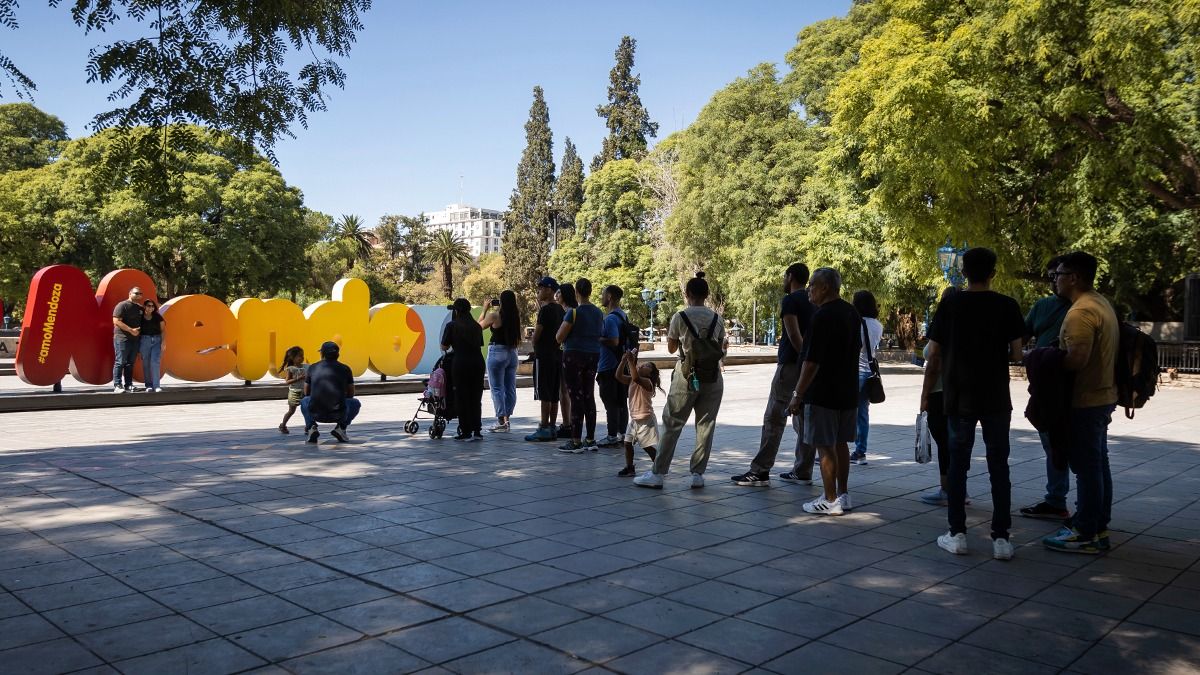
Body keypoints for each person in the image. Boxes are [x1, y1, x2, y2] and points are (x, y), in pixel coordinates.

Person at [920, 248, 1024, 560]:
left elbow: (933, 353)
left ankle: (957, 534)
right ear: (993, 272)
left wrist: (927, 393)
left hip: (958, 396)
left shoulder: (951, 304)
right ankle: (1002, 539)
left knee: (957, 466)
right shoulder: (1007, 306)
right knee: (998, 465)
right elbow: (1018, 355)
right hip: (995, 396)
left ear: (963, 272)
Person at [1042, 251, 1119, 554]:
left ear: (1073, 277)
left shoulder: (1080, 312)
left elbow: (1076, 360)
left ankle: (1086, 530)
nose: (1054, 281)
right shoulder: (1101, 303)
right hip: (1103, 396)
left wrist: (1045, 359)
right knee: (1098, 464)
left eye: (1057, 275)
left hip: (1085, 400)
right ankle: (1097, 525)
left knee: (1087, 468)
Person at [635, 272, 727, 489]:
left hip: (687, 375)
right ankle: (697, 474)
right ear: (707, 294)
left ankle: (658, 473)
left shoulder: (680, 317)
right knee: (705, 425)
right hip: (713, 377)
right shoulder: (717, 318)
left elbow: (671, 348)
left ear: (687, 294)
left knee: (672, 423)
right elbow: (721, 346)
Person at [732, 263, 817, 487]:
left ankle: (760, 471)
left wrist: (802, 359)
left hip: (791, 366)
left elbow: (794, 334)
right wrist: (810, 363)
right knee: (804, 419)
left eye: (784, 276)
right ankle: (803, 470)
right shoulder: (814, 301)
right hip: (810, 367)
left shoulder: (790, 300)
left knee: (774, 418)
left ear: (790, 277)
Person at [786, 268, 861, 516]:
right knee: (841, 444)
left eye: (813, 286)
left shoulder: (822, 317)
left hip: (824, 392)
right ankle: (843, 493)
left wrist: (797, 394)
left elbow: (811, 362)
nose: (809, 290)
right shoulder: (852, 313)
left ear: (825, 287)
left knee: (824, 445)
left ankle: (830, 500)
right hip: (848, 390)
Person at [1019, 256, 1075, 520]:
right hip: (1045, 387)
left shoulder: (1085, 307)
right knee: (1052, 445)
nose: (1054, 281)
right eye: (1052, 276)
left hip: (1077, 387)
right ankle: (1056, 499)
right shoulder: (1043, 306)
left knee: (1087, 452)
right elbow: (1021, 337)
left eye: (1059, 275)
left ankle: (1090, 514)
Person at [919, 287, 961, 506]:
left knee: (944, 442)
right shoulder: (965, 326)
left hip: (939, 391)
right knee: (956, 442)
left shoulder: (943, 325)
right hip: (961, 390)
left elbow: (933, 364)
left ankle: (948, 490)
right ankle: (958, 488)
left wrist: (924, 396)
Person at [557, 278, 605, 453]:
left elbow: (559, 337)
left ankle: (575, 440)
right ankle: (590, 439)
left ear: (576, 292)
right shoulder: (598, 313)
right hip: (593, 355)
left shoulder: (573, 313)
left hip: (573, 355)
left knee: (575, 396)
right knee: (588, 395)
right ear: (590, 292)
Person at [526, 277, 565, 442]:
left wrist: (533, 340)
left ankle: (543, 426)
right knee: (554, 391)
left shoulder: (545, 310)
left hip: (544, 355)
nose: (539, 291)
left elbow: (537, 335)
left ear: (550, 290)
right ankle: (552, 426)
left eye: (541, 289)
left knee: (544, 392)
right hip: (557, 355)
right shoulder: (561, 310)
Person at [442, 298, 486, 441]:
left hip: (460, 363)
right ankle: (477, 430)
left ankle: (465, 430)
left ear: (456, 311)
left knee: (461, 396)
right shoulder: (476, 326)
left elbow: (444, 346)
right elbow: (478, 344)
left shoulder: (452, 326)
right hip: (477, 363)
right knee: (476, 396)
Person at [301, 341, 360, 443]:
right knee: (355, 403)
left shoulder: (313, 368)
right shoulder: (346, 369)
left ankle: (311, 427)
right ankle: (341, 428)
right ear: (338, 354)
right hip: (339, 414)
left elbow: (306, 391)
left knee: (305, 400)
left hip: (316, 413)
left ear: (322, 354)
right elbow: (351, 393)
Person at [615, 351, 662, 477]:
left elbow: (636, 377)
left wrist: (631, 361)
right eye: (643, 363)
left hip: (646, 419)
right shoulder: (632, 380)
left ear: (650, 373)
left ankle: (660, 465)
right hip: (635, 419)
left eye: (647, 366)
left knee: (646, 446)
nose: (642, 365)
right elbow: (618, 376)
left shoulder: (647, 382)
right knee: (627, 443)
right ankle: (630, 467)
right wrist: (623, 361)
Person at [481, 290, 521, 433]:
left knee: (497, 388)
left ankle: (500, 420)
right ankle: (507, 419)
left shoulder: (495, 315)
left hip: (497, 352)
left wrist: (485, 309)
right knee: (510, 388)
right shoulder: (516, 318)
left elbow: (477, 327)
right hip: (512, 353)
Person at [851, 290, 884, 466]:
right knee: (863, 414)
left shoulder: (857, 323)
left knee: (843, 411)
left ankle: (834, 449)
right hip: (869, 372)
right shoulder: (878, 325)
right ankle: (860, 451)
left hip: (855, 372)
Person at [597, 285, 631, 448]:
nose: (601, 297)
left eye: (603, 294)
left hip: (609, 365)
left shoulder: (610, 319)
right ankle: (623, 434)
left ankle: (611, 436)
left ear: (609, 296)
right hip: (622, 365)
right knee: (621, 401)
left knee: (610, 401)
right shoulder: (623, 316)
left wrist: (597, 338)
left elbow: (614, 341)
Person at [555, 283, 578, 440]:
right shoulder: (576, 310)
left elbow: (559, 336)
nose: (556, 295)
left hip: (566, 352)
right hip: (575, 353)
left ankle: (567, 423)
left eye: (558, 293)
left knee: (565, 391)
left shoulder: (567, 312)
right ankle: (570, 423)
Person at [111, 286, 144, 393]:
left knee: (130, 363)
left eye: (140, 294)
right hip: (122, 338)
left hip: (135, 340)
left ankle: (128, 385)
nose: (139, 295)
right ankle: (117, 385)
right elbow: (116, 321)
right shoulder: (122, 305)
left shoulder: (139, 308)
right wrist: (131, 330)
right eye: (136, 293)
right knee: (120, 362)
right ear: (130, 294)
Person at [138, 298, 165, 392]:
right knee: (146, 364)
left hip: (156, 340)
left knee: (155, 362)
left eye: (153, 306)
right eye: (149, 305)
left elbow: (163, 330)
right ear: (144, 306)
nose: (151, 308)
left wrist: (163, 342)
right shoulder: (140, 317)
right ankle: (148, 385)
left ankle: (156, 385)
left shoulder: (157, 317)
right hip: (144, 341)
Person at [279, 346, 307, 434]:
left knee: (307, 410)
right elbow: (287, 381)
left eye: (302, 355)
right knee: (291, 411)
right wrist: (298, 378)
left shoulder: (306, 367)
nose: (302, 358)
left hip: (304, 391)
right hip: (294, 392)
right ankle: (283, 425)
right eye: (299, 356)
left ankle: (308, 426)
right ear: (292, 358)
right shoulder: (291, 369)